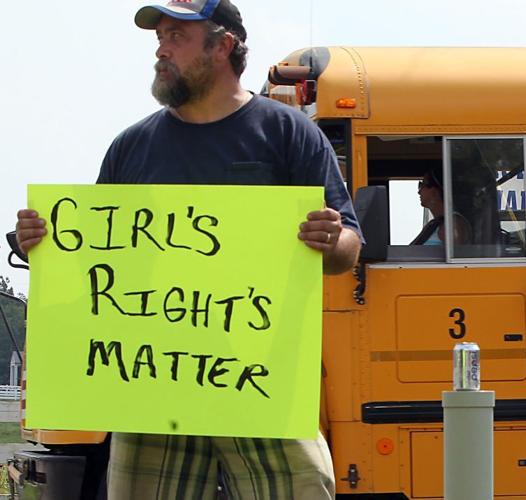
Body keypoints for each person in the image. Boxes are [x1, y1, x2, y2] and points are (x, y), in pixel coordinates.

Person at [15, 0, 362, 498]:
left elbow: (348, 248)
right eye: (159, 38)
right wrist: (42, 246)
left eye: (176, 36)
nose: (161, 50)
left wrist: (331, 238)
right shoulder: (132, 147)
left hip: (261, 379)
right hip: (153, 384)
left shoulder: (288, 133)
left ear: (222, 46)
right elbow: (92, 257)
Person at [410, 166, 472, 245]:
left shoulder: (453, 224)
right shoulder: (433, 224)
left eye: (422, 185)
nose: (419, 192)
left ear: (435, 191)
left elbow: (458, 254)